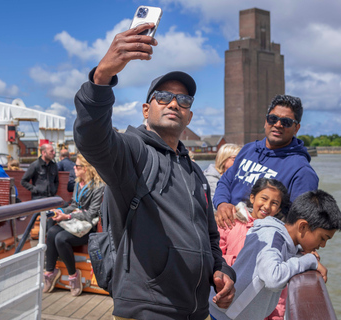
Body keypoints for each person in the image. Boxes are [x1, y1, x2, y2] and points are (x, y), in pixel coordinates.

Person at [74, 23, 235, 320]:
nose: (174, 103)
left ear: (189, 115)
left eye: (184, 100)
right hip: (148, 308)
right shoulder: (132, 152)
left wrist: (220, 269)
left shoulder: (196, 173)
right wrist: (102, 77)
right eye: (163, 96)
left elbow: (210, 236)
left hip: (196, 309)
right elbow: (92, 138)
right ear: (146, 110)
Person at [209, 189, 341, 320]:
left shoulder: (283, 239)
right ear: (302, 226)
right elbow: (273, 278)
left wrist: (299, 253)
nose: (323, 245)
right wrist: (310, 260)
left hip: (233, 312)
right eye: (322, 238)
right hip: (228, 313)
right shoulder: (272, 237)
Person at [213, 95, 319, 230]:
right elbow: (225, 181)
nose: (277, 125)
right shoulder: (248, 149)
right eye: (273, 119)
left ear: (296, 128)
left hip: (259, 242)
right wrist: (222, 204)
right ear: (265, 121)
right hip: (225, 231)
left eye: (286, 122)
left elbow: (299, 222)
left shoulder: (302, 171)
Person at [217, 178, 290, 320]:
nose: (267, 206)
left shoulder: (278, 238)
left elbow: (279, 288)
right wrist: (236, 261)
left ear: (279, 209)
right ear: (252, 198)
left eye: (274, 203)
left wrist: (276, 317)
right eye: (264, 198)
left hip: (255, 312)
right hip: (222, 303)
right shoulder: (229, 221)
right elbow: (214, 256)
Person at [43, 154, 105, 297]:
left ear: (87, 168)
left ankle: (73, 275)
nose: (74, 168)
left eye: (77, 166)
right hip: (76, 224)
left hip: (88, 228)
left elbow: (91, 214)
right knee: (52, 231)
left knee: (60, 238)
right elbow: (74, 205)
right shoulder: (78, 184)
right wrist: (60, 211)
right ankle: (50, 271)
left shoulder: (98, 187)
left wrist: (68, 216)